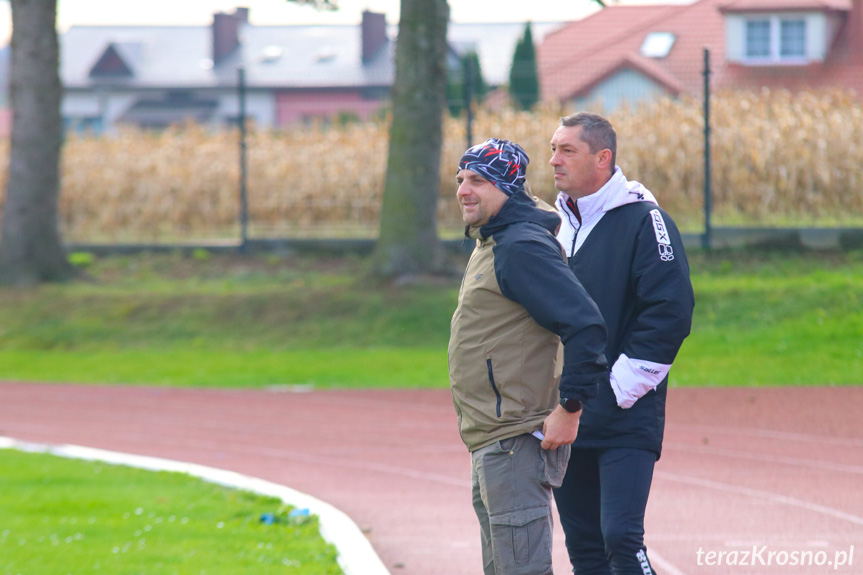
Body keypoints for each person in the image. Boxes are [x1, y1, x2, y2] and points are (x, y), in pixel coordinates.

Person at [448, 137, 610, 575]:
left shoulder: (520, 247)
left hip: (515, 439)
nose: (464, 189)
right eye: (461, 179)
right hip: (490, 439)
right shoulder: (492, 242)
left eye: (478, 180)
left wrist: (570, 408)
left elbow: (585, 325)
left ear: (508, 186)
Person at [548, 112, 695, 575]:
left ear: (602, 158)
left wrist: (614, 389)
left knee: (621, 540)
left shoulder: (646, 220)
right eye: (553, 149)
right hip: (564, 413)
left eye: (567, 150)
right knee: (585, 549)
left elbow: (669, 313)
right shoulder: (553, 225)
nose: (554, 160)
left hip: (625, 414)